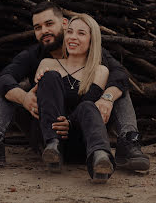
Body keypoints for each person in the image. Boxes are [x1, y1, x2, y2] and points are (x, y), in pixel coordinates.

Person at [0, 1, 149, 171]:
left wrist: (107, 99)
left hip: (84, 125)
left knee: (117, 89)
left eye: (49, 24)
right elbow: (3, 79)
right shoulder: (34, 57)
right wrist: (24, 97)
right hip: (44, 126)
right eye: (38, 27)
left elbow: (120, 76)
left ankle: (129, 143)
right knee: (14, 88)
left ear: (64, 24)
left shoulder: (95, 54)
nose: (44, 31)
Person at [36, 13, 115, 183]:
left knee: (88, 106)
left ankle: (100, 158)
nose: (73, 37)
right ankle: (53, 146)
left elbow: (88, 110)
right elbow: (41, 101)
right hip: (50, 136)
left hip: (83, 141)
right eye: (70, 32)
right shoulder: (47, 64)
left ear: (92, 39)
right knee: (49, 77)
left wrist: (69, 123)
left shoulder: (100, 71)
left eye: (81, 33)